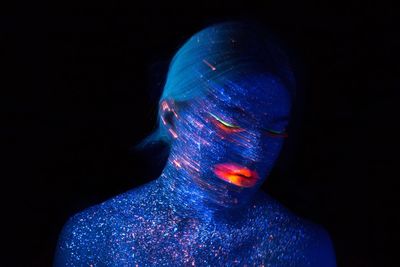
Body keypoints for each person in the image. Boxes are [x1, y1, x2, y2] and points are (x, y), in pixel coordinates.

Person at [54, 21, 336, 266]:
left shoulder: (302, 249)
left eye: (275, 132)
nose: (255, 152)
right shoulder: (95, 237)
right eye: (230, 124)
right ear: (171, 117)